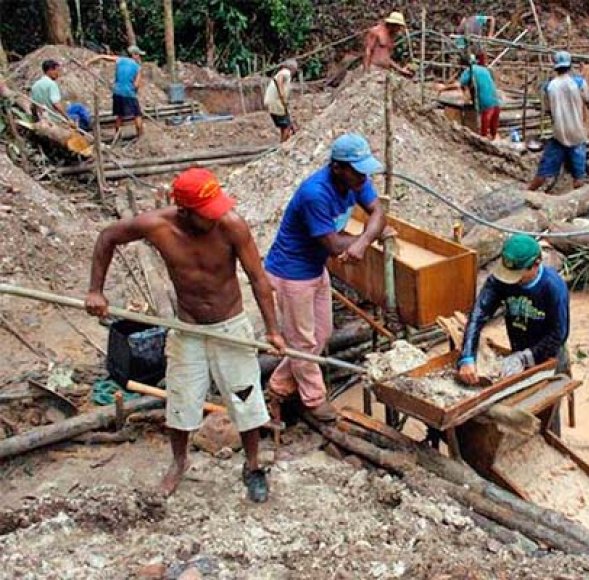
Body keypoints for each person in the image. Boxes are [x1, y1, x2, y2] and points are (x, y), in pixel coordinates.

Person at [85, 168, 286, 502]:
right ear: (185, 212)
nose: (216, 216)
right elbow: (107, 237)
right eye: (207, 213)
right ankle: (179, 463)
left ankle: (252, 466)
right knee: (181, 401)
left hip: (230, 327)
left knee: (246, 399)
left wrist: (274, 330)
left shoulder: (232, 226)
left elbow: (258, 279)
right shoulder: (157, 226)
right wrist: (96, 290)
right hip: (187, 328)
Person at [264, 134, 388, 423]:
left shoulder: (356, 180)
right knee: (304, 342)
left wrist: (363, 240)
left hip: (314, 269)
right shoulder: (315, 194)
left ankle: (280, 384)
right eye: (358, 171)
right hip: (292, 274)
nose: (364, 177)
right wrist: (368, 236)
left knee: (321, 334)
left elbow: (378, 211)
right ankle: (314, 399)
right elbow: (332, 246)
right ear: (337, 168)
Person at [457, 235, 570, 429]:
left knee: (545, 407)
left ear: (536, 264)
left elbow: (559, 333)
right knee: (517, 407)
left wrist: (525, 358)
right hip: (517, 345)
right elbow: (478, 314)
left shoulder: (553, 287)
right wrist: (467, 357)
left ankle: (549, 441)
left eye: (518, 273)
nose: (513, 280)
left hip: (548, 354)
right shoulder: (500, 281)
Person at [529, 51, 589, 191]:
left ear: (555, 67)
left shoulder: (549, 87)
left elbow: (548, 110)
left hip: (559, 135)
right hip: (577, 135)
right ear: (569, 66)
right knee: (579, 176)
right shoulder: (579, 83)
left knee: (543, 173)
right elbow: (588, 100)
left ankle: (527, 193)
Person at [87, 46, 145, 139]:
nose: (139, 57)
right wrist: (135, 92)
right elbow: (136, 85)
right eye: (138, 55)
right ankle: (140, 135)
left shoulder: (120, 60)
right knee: (137, 114)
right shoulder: (137, 67)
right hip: (129, 93)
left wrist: (88, 62)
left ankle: (117, 135)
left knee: (120, 115)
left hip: (117, 92)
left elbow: (103, 57)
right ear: (134, 55)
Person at [457, 55, 500, 140]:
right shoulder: (484, 69)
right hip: (495, 101)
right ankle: (493, 140)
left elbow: (458, 84)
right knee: (493, 131)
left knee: (483, 135)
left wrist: (443, 87)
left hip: (486, 103)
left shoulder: (470, 70)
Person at [363, 12, 413, 77]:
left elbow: (386, 57)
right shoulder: (377, 31)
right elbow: (368, 51)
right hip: (374, 69)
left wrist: (400, 69)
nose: (399, 29)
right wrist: (366, 71)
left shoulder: (392, 36)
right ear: (393, 24)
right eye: (398, 26)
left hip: (384, 71)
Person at [263, 59, 299, 143]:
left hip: (273, 102)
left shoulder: (282, 72)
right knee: (287, 126)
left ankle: (282, 142)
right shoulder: (286, 72)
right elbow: (280, 79)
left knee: (284, 126)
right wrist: (282, 93)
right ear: (293, 68)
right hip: (277, 102)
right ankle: (283, 145)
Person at [30, 59, 70, 124]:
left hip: (42, 119)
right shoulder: (51, 84)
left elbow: (33, 106)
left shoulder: (35, 85)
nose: (58, 74)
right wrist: (68, 118)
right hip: (54, 120)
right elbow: (56, 104)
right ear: (50, 70)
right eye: (57, 71)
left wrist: (35, 119)